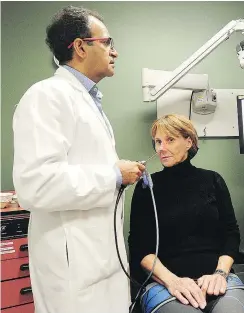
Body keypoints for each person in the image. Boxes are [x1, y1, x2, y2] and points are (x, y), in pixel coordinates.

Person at [12, 6, 145, 313]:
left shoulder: (87, 101)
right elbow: (36, 184)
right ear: (81, 47)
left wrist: (117, 171)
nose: (115, 52)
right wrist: (113, 176)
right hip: (74, 272)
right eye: (108, 42)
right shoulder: (46, 96)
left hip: (98, 261)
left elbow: (80, 166)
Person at [129, 114, 244, 313]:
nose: (161, 148)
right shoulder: (147, 188)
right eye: (157, 142)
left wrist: (219, 274)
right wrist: (173, 281)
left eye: (170, 140)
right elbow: (140, 248)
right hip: (165, 284)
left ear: (189, 141)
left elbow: (231, 234)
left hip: (216, 279)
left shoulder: (212, 180)